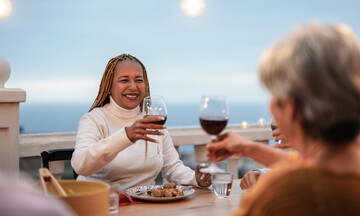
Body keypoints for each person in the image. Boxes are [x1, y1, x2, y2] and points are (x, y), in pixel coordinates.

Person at [207, 23, 360, 215]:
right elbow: (319, 165)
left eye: (273, 95)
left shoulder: (282, 195)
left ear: (291, 107)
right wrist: (248, 148)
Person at [71, 54, 211, 191]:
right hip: (102, 204)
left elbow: (172, 167)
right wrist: (126, 136)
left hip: (144, 204)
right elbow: (80, 164)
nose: (133, 87)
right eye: (124, 80)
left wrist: (196, 178)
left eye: (138, 80)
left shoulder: (152, 117)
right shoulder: (94, 119)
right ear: (109, 86)